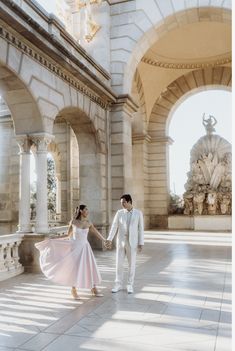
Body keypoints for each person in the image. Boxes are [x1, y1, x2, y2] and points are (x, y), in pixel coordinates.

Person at [35, 204, 106, 300]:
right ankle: (74, 290)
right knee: (75, 268)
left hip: (85, 248)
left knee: (89, 267)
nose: (87, 211)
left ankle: (93, 289)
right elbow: (68, 235)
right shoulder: (73, 222)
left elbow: (96, 232)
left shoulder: (88, 222)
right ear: (81, 211)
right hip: (75, 247)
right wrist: (54, 238)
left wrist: (104, 240)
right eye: (86, 210)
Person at [105, 194, 144, 294]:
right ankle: (118, 284)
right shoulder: (119, 213)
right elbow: (114, 227)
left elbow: (141, 229)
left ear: (129, 202)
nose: (122, 204)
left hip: (133, 243)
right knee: (119, 263)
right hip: (121, 242)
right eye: (121, 203)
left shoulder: (138, 213)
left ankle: (130, 285)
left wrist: (141, 242)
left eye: (124, 202)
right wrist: (109, 239)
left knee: (132, 265)